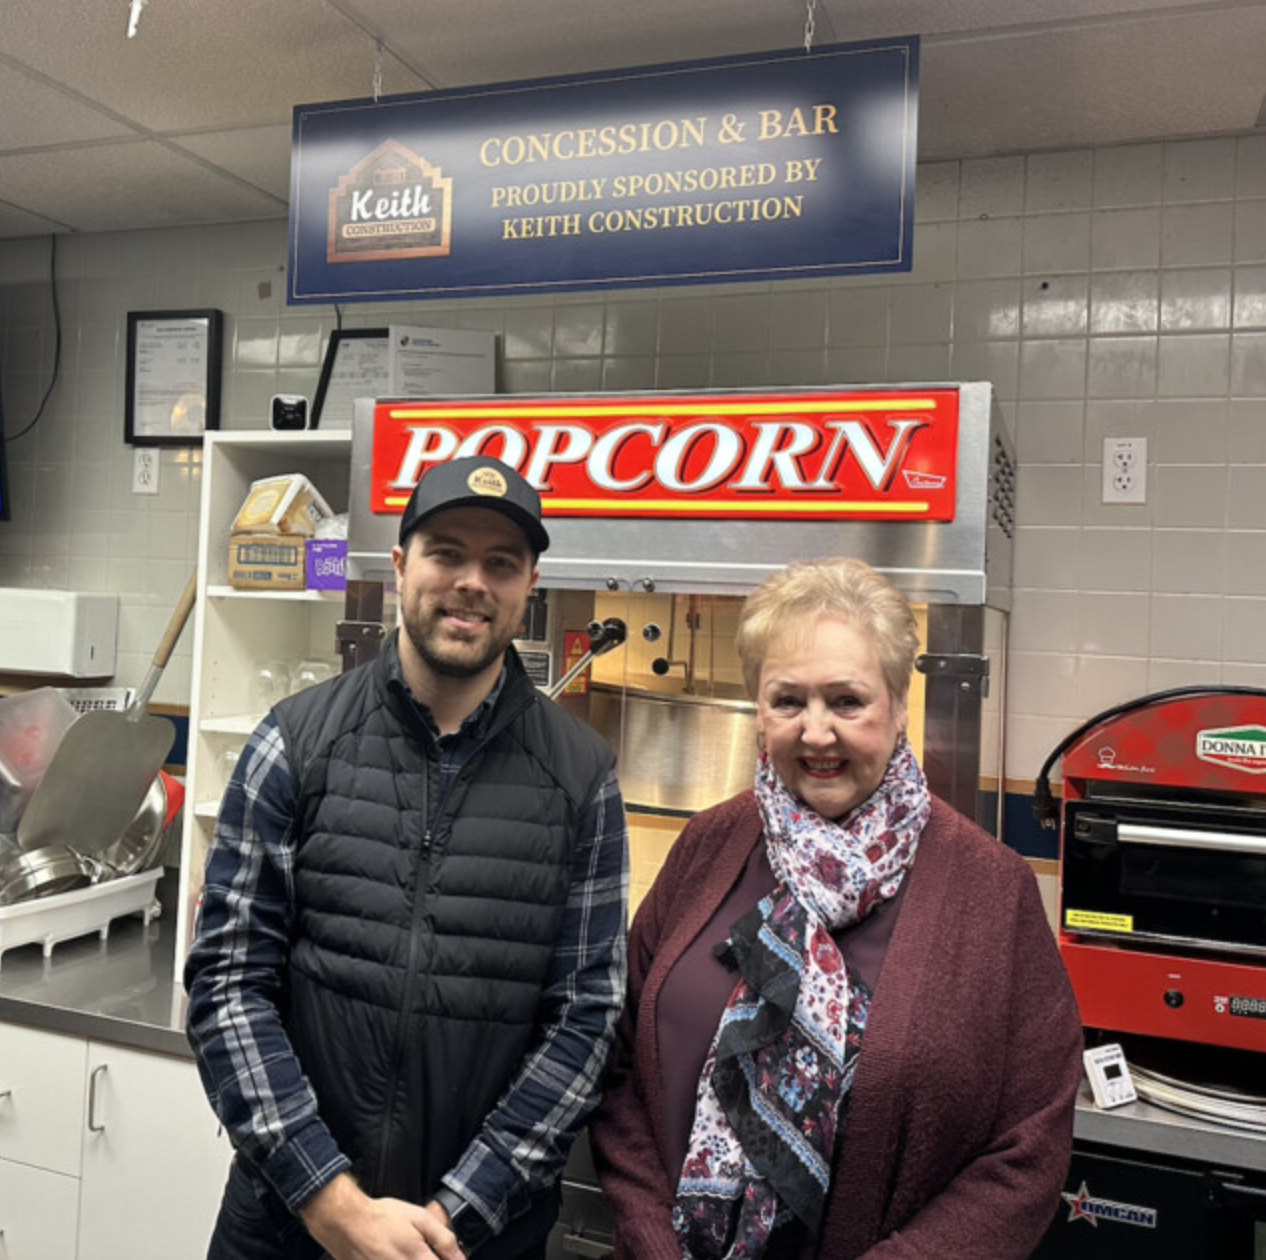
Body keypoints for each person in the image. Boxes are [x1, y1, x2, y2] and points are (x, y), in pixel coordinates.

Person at [186, 456, 629, 1260]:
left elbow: (586, 1019)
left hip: (473, 1242)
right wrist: (329, 1198)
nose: (471, 582)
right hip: (286, 1225)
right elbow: (226, 981)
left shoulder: (581, 776)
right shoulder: (296, 740)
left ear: (530, 584)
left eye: (501, 563)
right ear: (399, 568)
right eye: (446, 553)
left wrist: (456, 1217)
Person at [589, 557, 1082, 1260]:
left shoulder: (990, 888)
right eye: (788, 700)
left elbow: (1028, 1144)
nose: (816, 734)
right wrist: (650, 1239)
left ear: (898, 705)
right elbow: (623, 1070)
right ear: (758, 707)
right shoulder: (710, 845)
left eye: (846, 701)